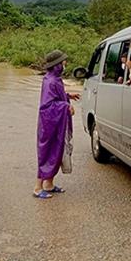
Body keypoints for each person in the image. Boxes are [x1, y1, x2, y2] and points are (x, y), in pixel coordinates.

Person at [34, 50, 80, 199]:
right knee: (47, 152)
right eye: (63, 62)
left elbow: (56, 96)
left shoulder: (55, 79)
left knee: (56, 152)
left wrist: (67, 96)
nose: (65, 64)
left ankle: (49, 184)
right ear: (56, 65)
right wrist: (65, 106)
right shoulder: (50, 81)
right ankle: (37, 187)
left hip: (55, 123)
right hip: (49, 124)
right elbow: (47, 106)